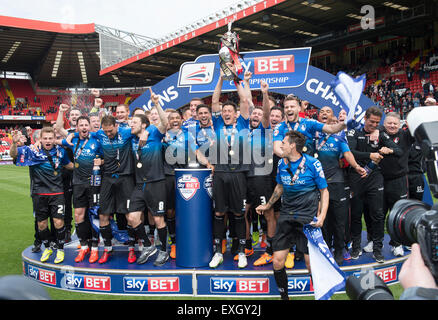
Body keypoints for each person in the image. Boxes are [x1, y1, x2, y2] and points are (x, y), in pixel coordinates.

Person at [256, 131, 329, 300]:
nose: (280, 145)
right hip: (287, 216)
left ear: (292, 146)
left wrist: (322, 216)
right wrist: (268, 205)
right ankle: (284, 298)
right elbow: (279, 187)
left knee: (311, 265)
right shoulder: (282, 163)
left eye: (283, 142)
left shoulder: (313, 163)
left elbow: (324, 191)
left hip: (307, 219)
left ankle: (321, 295)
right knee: (277, 261)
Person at [347, 106, 403, 263]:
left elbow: (398, 150)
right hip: (356, 175)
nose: (373, 125)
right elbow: (350, 152)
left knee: (378, 214)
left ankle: (378, 249)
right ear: (365, 118)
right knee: (356, 214)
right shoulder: (354, 132)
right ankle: (356, 247)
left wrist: (388, 150)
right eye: (371, 122)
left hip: (374, 177)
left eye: (377, 123)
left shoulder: (380, 133)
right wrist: (370, 155)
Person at [10, 127, 74, 264]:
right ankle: (47, 247)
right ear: (40, 139)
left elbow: (69, 165)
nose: (48, 141)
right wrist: (14, 143)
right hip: (39, 194)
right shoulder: (32, 151)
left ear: (54, 139)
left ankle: (60, 249)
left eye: (50, 138)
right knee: (41, 224)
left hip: (57, 193)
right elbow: (14, 155)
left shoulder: (60, 151)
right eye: (45, 138)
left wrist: (86, 165)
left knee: (58, 222)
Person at [208, 71, 251, 269]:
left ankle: (241, 252)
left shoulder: (242, 122)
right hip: (220, 174)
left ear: (235, 114)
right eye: (223, 111)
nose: (225, 113)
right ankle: (218, 252)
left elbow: (244, 98)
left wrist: (235, 79)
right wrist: (220, 78)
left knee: (238, 214)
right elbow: (214, 99)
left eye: (229, 111)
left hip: (238, 174)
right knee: (218, 213)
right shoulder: (217, 123)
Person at [316, 107, 367, 265]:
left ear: (333, 118)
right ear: (319, 117)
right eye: (322, 111)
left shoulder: (339, 135)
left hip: (337, 181)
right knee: (322, 219)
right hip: (318, 183)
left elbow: (347, 153)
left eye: (328, 111)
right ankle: (325, 248)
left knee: (339, 219)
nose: (325, 113)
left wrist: (357, 166)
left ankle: (339, 249)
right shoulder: (313, 134)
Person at [127, 89, 170, 266]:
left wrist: (156, 103)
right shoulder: (131, 139)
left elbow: (165, 122)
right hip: (139, 185)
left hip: (156, 183)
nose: (131, 125)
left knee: (159, 219)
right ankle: (147, 245)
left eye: (134, 122)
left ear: (143, 125)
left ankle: (163, 251)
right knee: (132, 217)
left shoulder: (153, 132)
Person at [60, 116, 103, 263]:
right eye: (81, 125)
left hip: (94, 182)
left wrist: (101, 161)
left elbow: (106, 158)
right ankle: (84, 246)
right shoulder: (73, 140)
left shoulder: (97, 141)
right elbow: (57, 138)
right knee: (79, 215)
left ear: (90, 127)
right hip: (78, 183)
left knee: (95, 215)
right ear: (77, 127)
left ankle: (95, 248)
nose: (84, 127)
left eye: (86, 125)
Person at [375, 112, 414, 257]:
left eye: (395, 124)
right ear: (384, 124)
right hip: (379, 179)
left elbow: (418, 127)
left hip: (399, 180)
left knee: (397, 214)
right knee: (378, 213)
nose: (392, 126)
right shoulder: (377, 133)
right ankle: (375, 241)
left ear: (400, 124)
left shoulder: (406, 136)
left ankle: (396, 243)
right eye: (389, 123)